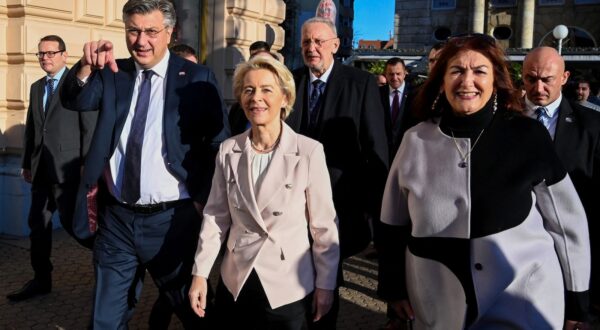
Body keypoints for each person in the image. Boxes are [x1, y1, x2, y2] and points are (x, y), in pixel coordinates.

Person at [379, 35, 590, 330]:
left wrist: (577, 299)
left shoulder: (528, 135)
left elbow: (567, 223)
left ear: (496, 80)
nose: (467, 81)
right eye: (456, 71)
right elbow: (392, 222)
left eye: (479, 71)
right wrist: (393, 288)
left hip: (521, 300)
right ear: (441, 80)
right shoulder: (415, 139)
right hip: (436, 303)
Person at [59, 0, 225, 328]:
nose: (141, 40)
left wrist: (200, 200)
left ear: (169, 32)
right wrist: (85, 66)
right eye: (133, 31)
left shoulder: (196, 77)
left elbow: (218, 143)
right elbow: (73, 99)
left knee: (197, 314)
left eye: (151, 31)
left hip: (173, 222)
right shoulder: (113, 74)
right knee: (104, 320)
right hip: (117, 220)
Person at [189, 56, 340, 329]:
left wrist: (326, 285)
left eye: (266, 90)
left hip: (287, 287)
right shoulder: (228, 150)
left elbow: (324, 227)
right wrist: (200, 273)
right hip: (235, 281)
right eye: (248, 90)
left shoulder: (308, 151)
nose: (255, 98)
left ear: (284, 98)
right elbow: (215, 217)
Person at [285, 16, 389, 329]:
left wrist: (375, 213)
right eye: (306, 42)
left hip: (340, 204)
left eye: (318, 41)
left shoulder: (360, 84)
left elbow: (376, 149)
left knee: (325, 276)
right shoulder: (290, 82)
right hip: (292, 205)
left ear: (335, 45)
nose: (311, 48)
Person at [6, 35, 97, 302]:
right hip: (41, 170)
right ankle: (41, 279)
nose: (45, 58)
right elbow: (33, 128)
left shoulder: (79, 84)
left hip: (68, 172)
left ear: (64, 55)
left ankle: (113, 266)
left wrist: (86, 164)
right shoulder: (36, 87)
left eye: (50, 53)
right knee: (38, 225)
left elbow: (88, 129)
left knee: (76, 227)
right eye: (41, 54)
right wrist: (26, 163)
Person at [523, 46, 600, 315]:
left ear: (565, 78)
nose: (539, 87)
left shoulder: (592, 125)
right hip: (520, 254)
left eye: (547, 79)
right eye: (531, 79)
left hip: (573, 251)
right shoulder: (504, 122)